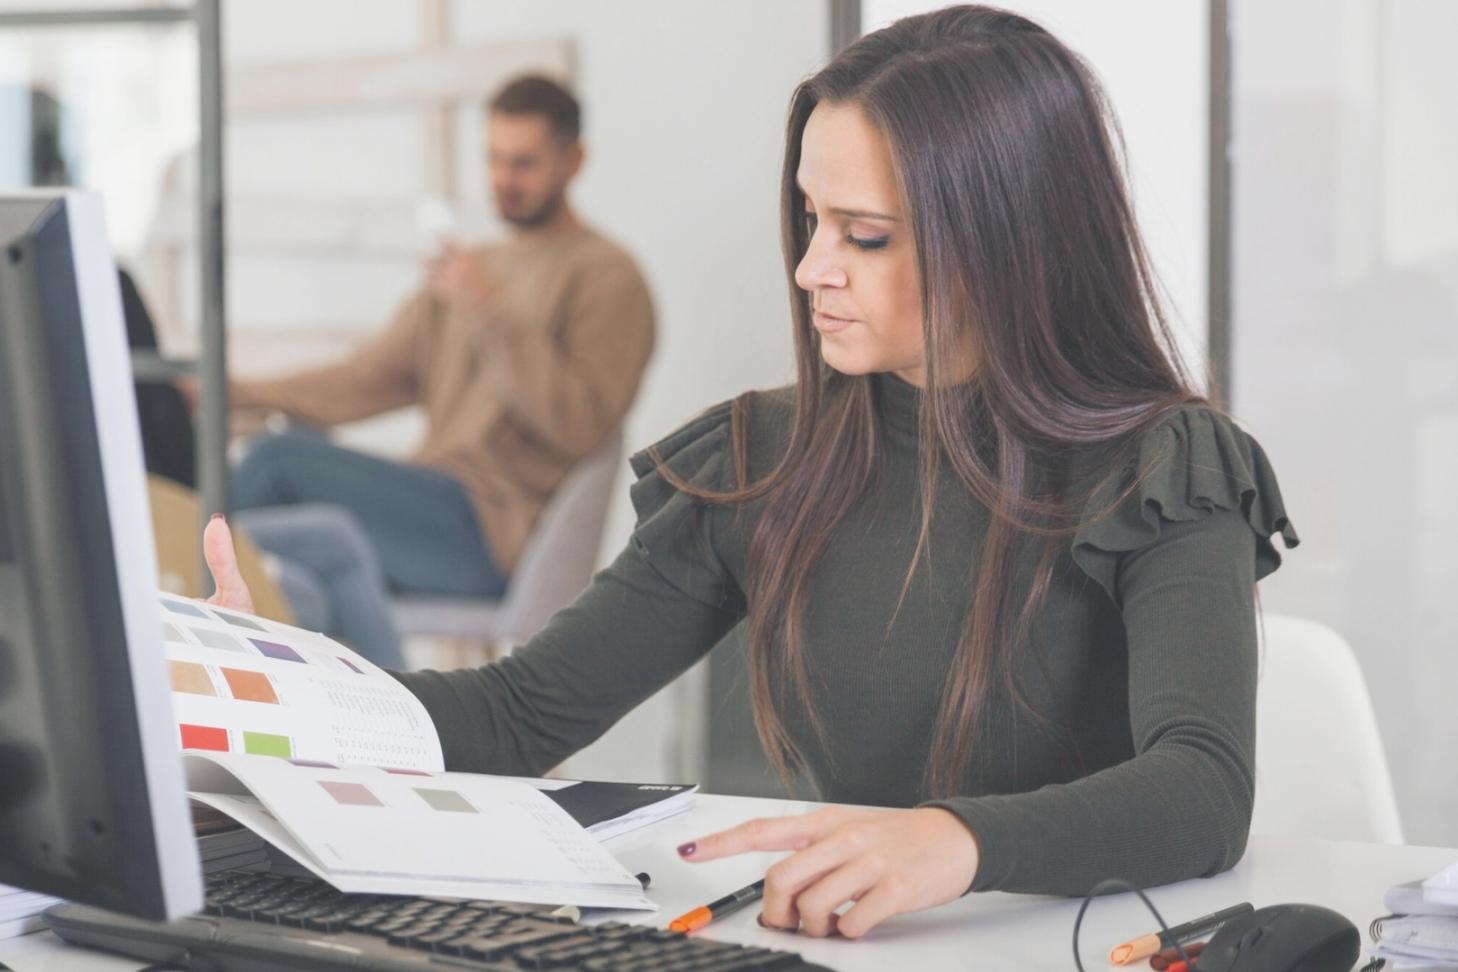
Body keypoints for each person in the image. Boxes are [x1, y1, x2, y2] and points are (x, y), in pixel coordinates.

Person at [201, 6, 1297, 940]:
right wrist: (271, 696)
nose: (814, 268)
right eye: (812, 220)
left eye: (865, 235)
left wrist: (955, 842)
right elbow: (520, 709)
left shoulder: (1165, 468)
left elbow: (1202, 789)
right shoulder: (760, 460)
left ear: (1005, 240)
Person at [218, 75, 656, 666]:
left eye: (524, 163)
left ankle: (192, 633)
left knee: (276, 466)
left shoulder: (608, 277)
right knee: (286, 456)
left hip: (489, 532)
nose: (504, 179)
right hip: (431, 503)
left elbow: (579, 424)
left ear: (574, 161)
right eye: (494, 159)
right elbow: (364, 379)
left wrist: (490, 310)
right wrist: (236, 393)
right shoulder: (473, 267)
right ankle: (291, 669)